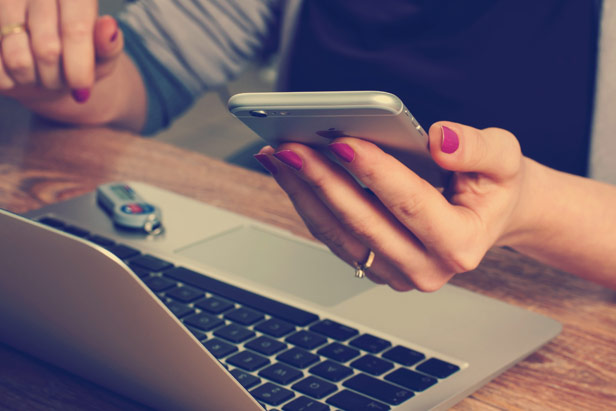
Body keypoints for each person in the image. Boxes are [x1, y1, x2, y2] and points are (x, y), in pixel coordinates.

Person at [0, 0, 614, 290]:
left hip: (562, 320)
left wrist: (531, 206)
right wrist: (67, 68)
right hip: (300, 274)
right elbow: (153, 61)